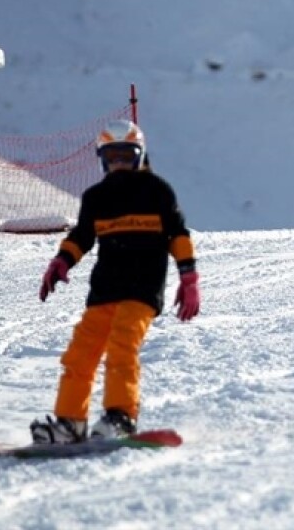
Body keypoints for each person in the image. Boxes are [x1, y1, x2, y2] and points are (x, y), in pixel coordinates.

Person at [30, 119, 199, 444]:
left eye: (126, 154)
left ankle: (120, 417)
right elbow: (82, 236)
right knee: (80, 355)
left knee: (123, 347)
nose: (119, 162)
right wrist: (61, 261)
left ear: (139, 155)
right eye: (112, 156)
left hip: (143, 288)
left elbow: (178, 234)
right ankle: (70, 423)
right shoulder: (97, 197)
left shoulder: (157, 191)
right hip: (105, 289)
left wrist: (188, 277)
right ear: (102, 158)